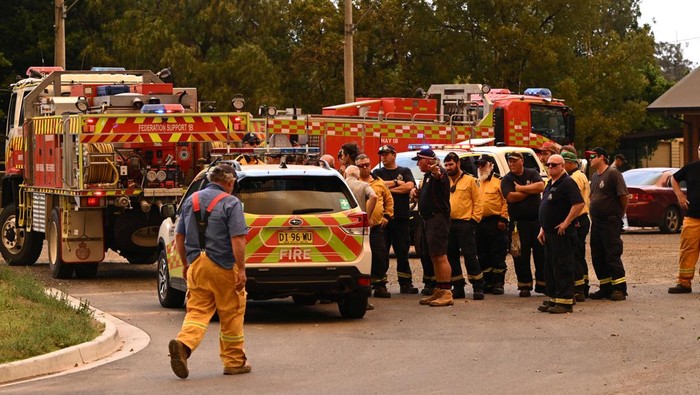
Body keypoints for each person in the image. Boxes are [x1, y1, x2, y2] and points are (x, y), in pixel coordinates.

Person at [169, 164, 250, 379]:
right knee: (231, 312)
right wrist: (241, 269)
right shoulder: (231, 203)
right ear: (230, 182)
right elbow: (237, 239)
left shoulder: (191, 200)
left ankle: (184, 344)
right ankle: (234, 362)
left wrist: (187, 265)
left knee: (197, 311)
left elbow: (179, 237)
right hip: (223, 265)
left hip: (197, 264)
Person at [537, 155, 585, 314]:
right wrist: (542, 229)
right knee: (550, 267)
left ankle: (565, 302)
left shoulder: (567, 183)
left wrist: (566, 222)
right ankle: (554, 298)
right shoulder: (550, 183)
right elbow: (546, 207)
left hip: (562, 233)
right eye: (548, 164)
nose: (550, 167)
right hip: (549, 232)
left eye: (554, 165)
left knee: (562, 266)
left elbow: (579, 204)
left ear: (562, 166)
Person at [372, 144, 419, 294]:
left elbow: (409, 186)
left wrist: (386, 189)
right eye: (382, 154)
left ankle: (406, 283)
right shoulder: (378, 172)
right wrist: (398, 183)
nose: (383, 156)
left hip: (401, 218)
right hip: (383, 219)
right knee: (381, 253)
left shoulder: (405, 171)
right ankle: (380, 284)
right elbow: (374, 186)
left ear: (394, 155)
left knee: (402, 252)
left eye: (386, 154)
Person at [410, 148, 453, 307]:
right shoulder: (427, 176)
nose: (418, 163)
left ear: (428, 161)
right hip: (428, 219)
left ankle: (446, 292)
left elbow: (439, 176)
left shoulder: (438, 172)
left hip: (438, 219)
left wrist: (436, 171)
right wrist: (417, 194)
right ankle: (439, 288)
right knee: (433, 256)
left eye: (419, 160)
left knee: (440, 255)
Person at [501, 151, 546, 297]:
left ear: (522, 161)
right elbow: (511, 197)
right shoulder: (507, 179)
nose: (512, 164)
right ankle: (524, 285)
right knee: (520, 255)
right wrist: (529, 190)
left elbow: (540, 186)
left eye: (515, 161)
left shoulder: (532, 173)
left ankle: (542, 284)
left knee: (541, 254)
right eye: (510, 161)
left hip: (536, 222)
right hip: (517, 225)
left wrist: (520, 188)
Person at [587, 147, 629, 301]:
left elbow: (623, 196)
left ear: (602, 157)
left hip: (610, 221)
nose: (591, 159)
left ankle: (619, 289)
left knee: (612, 254)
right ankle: (605, 287)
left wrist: (619, 214)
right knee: (597, 255)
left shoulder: (613, 174)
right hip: (597, 222)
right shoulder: (595, 176)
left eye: (593, 156)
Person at [443, 152, 485, 300]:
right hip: (449, 224)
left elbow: (479, 203)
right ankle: (458, 286)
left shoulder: (470, 181)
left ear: (458, 163)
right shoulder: (444, 181)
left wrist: (474, 222)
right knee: (451, 256)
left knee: (470, 256)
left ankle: (478, 286)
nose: (448, 167)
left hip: (465, 224)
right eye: (446, 165)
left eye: (451, 164)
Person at [357, 154, 395, 298]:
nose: (365, 168)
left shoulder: (379, 183)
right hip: (358, 229)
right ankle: (364, 286)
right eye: (361, 166)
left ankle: (380, 285)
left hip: (376, 228)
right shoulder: (355, 183)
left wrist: (387, 216)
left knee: (380, 256)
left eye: (367, 164)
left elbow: (389, 200)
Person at [475, 154, 509, 295]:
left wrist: (503, 219)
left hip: (496, 222)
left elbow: (506, 201)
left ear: (490, 165)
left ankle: (498, 283)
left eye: (483, 164)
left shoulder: (499, 182)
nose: (480, 167)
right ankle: (487, 282)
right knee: (482, 253)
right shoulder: (476, 182)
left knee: (497, 253)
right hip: (479, 222)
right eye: (478, 165)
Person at [668, 144, 700, 294]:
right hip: (692, 218)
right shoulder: (690, 168)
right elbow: (673, 179)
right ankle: (684, 282)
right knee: (687, 250)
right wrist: (679, 195)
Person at [560, 150, 591, 301]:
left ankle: (578, 289)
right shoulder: (581, 175)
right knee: (579, 254)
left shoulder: (574, 178)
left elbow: (574, 201)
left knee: (575, 255)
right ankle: (583, 285)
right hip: (582, 219)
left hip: (577, 219)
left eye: (562, 163)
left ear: (569, 163)